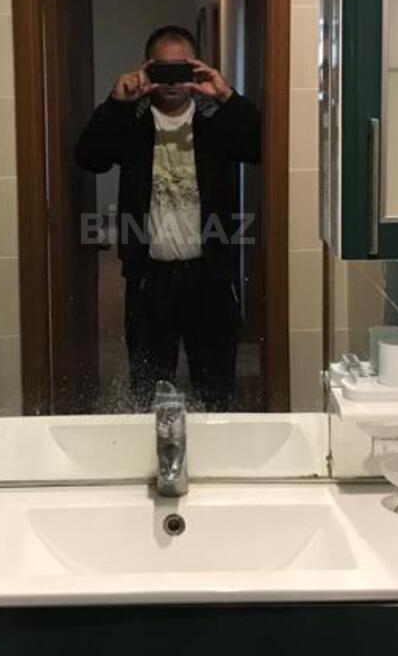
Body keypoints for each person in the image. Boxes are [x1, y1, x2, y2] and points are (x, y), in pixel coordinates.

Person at [75, 25, 260, 410]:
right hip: (149, 279)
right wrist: (116, 104)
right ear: (147, 69)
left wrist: (227, 96)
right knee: (149, 390)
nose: (173, 81)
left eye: (182, 69)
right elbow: (90, 158)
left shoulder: (216, 124)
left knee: (216, 389)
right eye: (163, 70)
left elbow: (260, 146)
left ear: (196, 70)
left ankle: (216, 446)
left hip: (210, 277)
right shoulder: (132, 124)